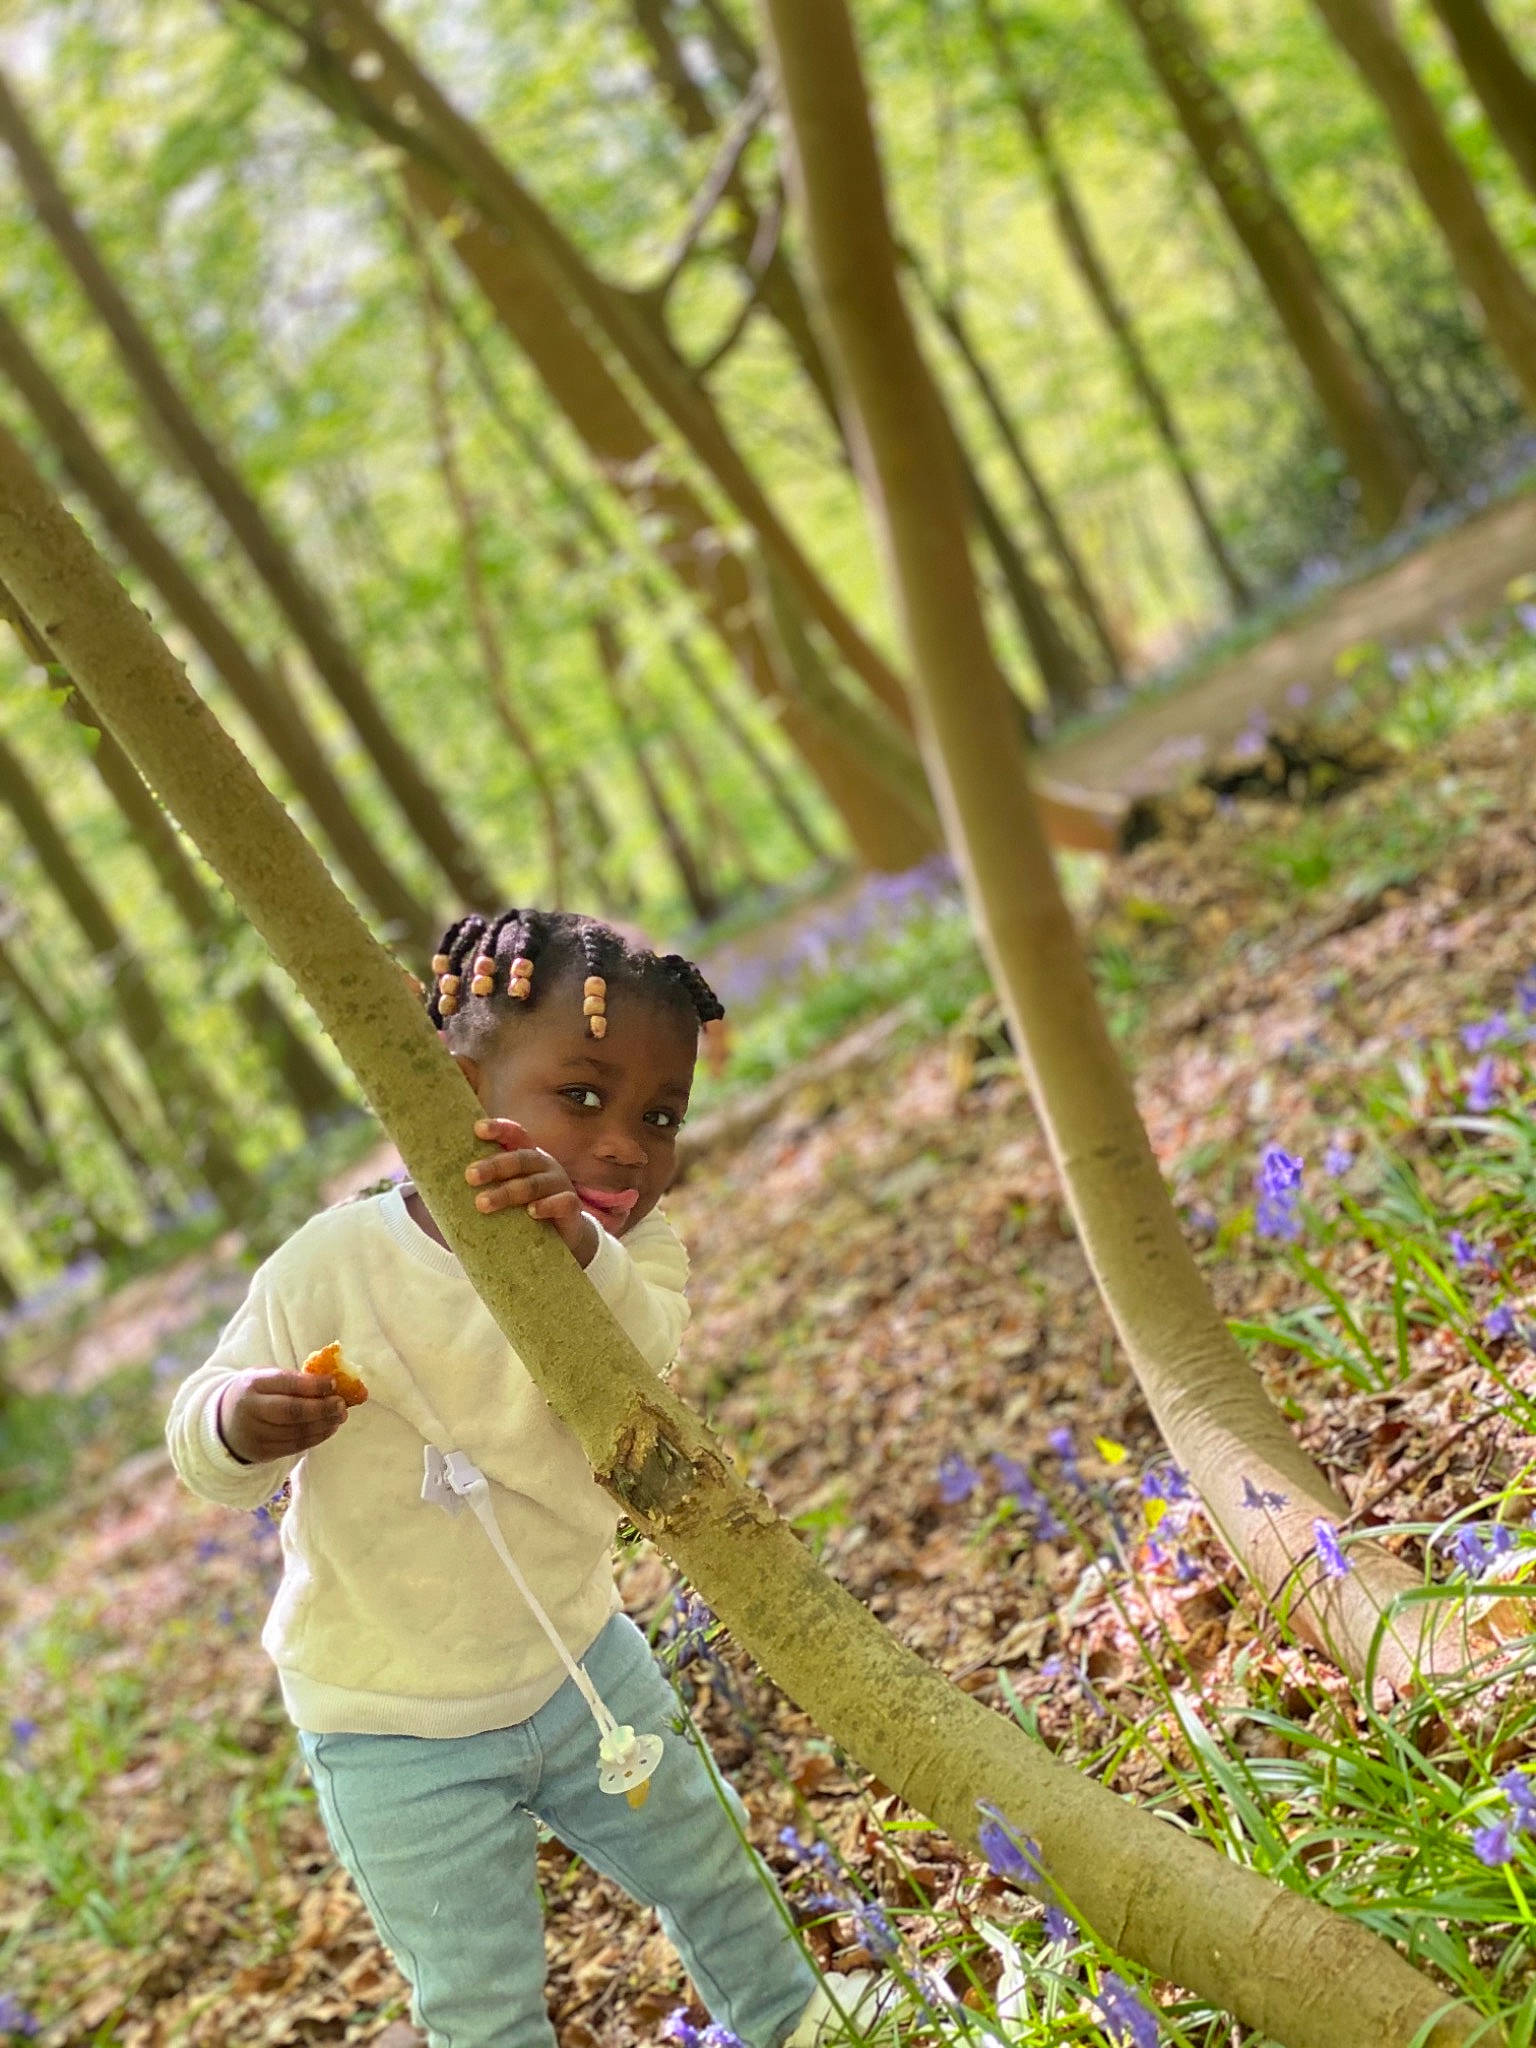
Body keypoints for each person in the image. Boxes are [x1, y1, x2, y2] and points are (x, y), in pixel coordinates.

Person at [166, 908, 900, 2048]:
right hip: (390, 1719)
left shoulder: (637, 1257)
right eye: (583, 1097)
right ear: (457, 1088)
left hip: (580, 1659)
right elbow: (195, 1434)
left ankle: (796, 2014)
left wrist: (580, 1250)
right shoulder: (331, 1263)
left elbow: (640, 1354)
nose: (624, 1147)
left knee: (710, 1864)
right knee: (479, 1990)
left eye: (660, 1117)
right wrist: (236, 1416)